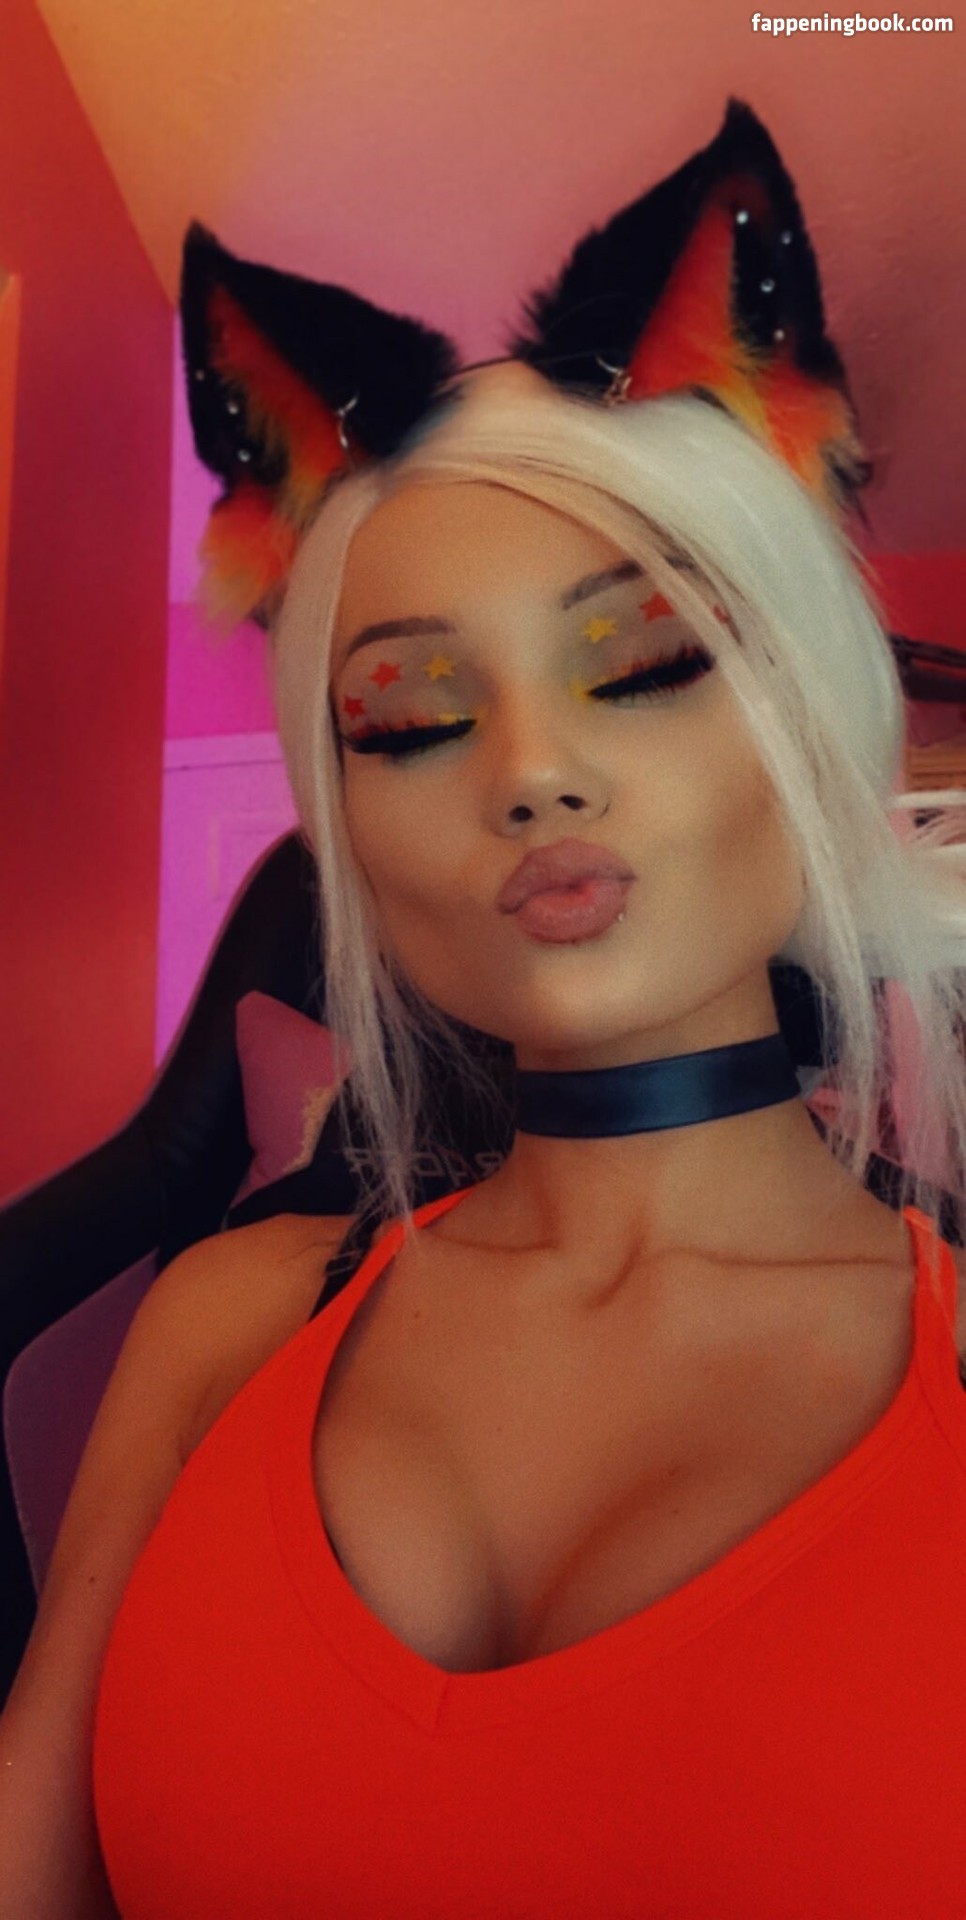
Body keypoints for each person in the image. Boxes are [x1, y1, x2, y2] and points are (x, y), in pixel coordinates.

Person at [7, 98, 966, 1919]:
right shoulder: (225, 1320)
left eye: (644, 656)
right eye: (410, 714)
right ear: (345, 826)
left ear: (812, 718)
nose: (529, 774)